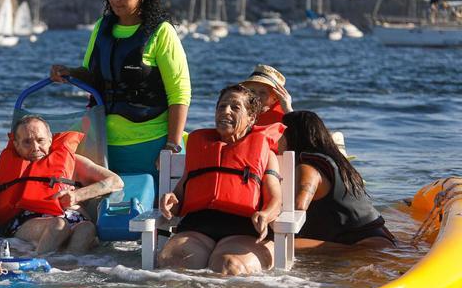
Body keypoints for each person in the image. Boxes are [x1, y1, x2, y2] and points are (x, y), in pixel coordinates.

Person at [49, 0, 191, 181]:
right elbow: (91, 76)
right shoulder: (101, 27)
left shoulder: (161, 32)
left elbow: (179, 93)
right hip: (102, 142)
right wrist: (69, 73)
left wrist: (172, 145)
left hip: (150, 143)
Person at [0, 115, 123, 254]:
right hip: (27, 222)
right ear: (16, 145)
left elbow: (115, 181)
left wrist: (77, 195)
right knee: (57, 225)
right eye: (27, 142)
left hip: (74, 218)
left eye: (40, 140)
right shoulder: (9, 170)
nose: (35, 147)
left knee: (87, 228)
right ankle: (39, 270)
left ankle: (66, 271)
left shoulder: (73, 162)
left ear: (51, 140)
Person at [158, 85, 283, 275]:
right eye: (222, 106)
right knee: (176, 263)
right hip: (196, 228)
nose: (226, 111)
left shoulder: (265, 153)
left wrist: (266, 214)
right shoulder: (201, 147)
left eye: (235, 107)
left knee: (229, 267)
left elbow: (275, 199)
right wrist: (171, 201)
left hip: (243, 230)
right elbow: (180, 195)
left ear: (251, 118)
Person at [279, 111, 395, 248]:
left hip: (364, 247)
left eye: (279, 132)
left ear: (291, 136)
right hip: (379, 238)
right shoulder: (336, 161)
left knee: (280, 245)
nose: (276, 138)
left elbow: (298, 209)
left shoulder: (308, 167)